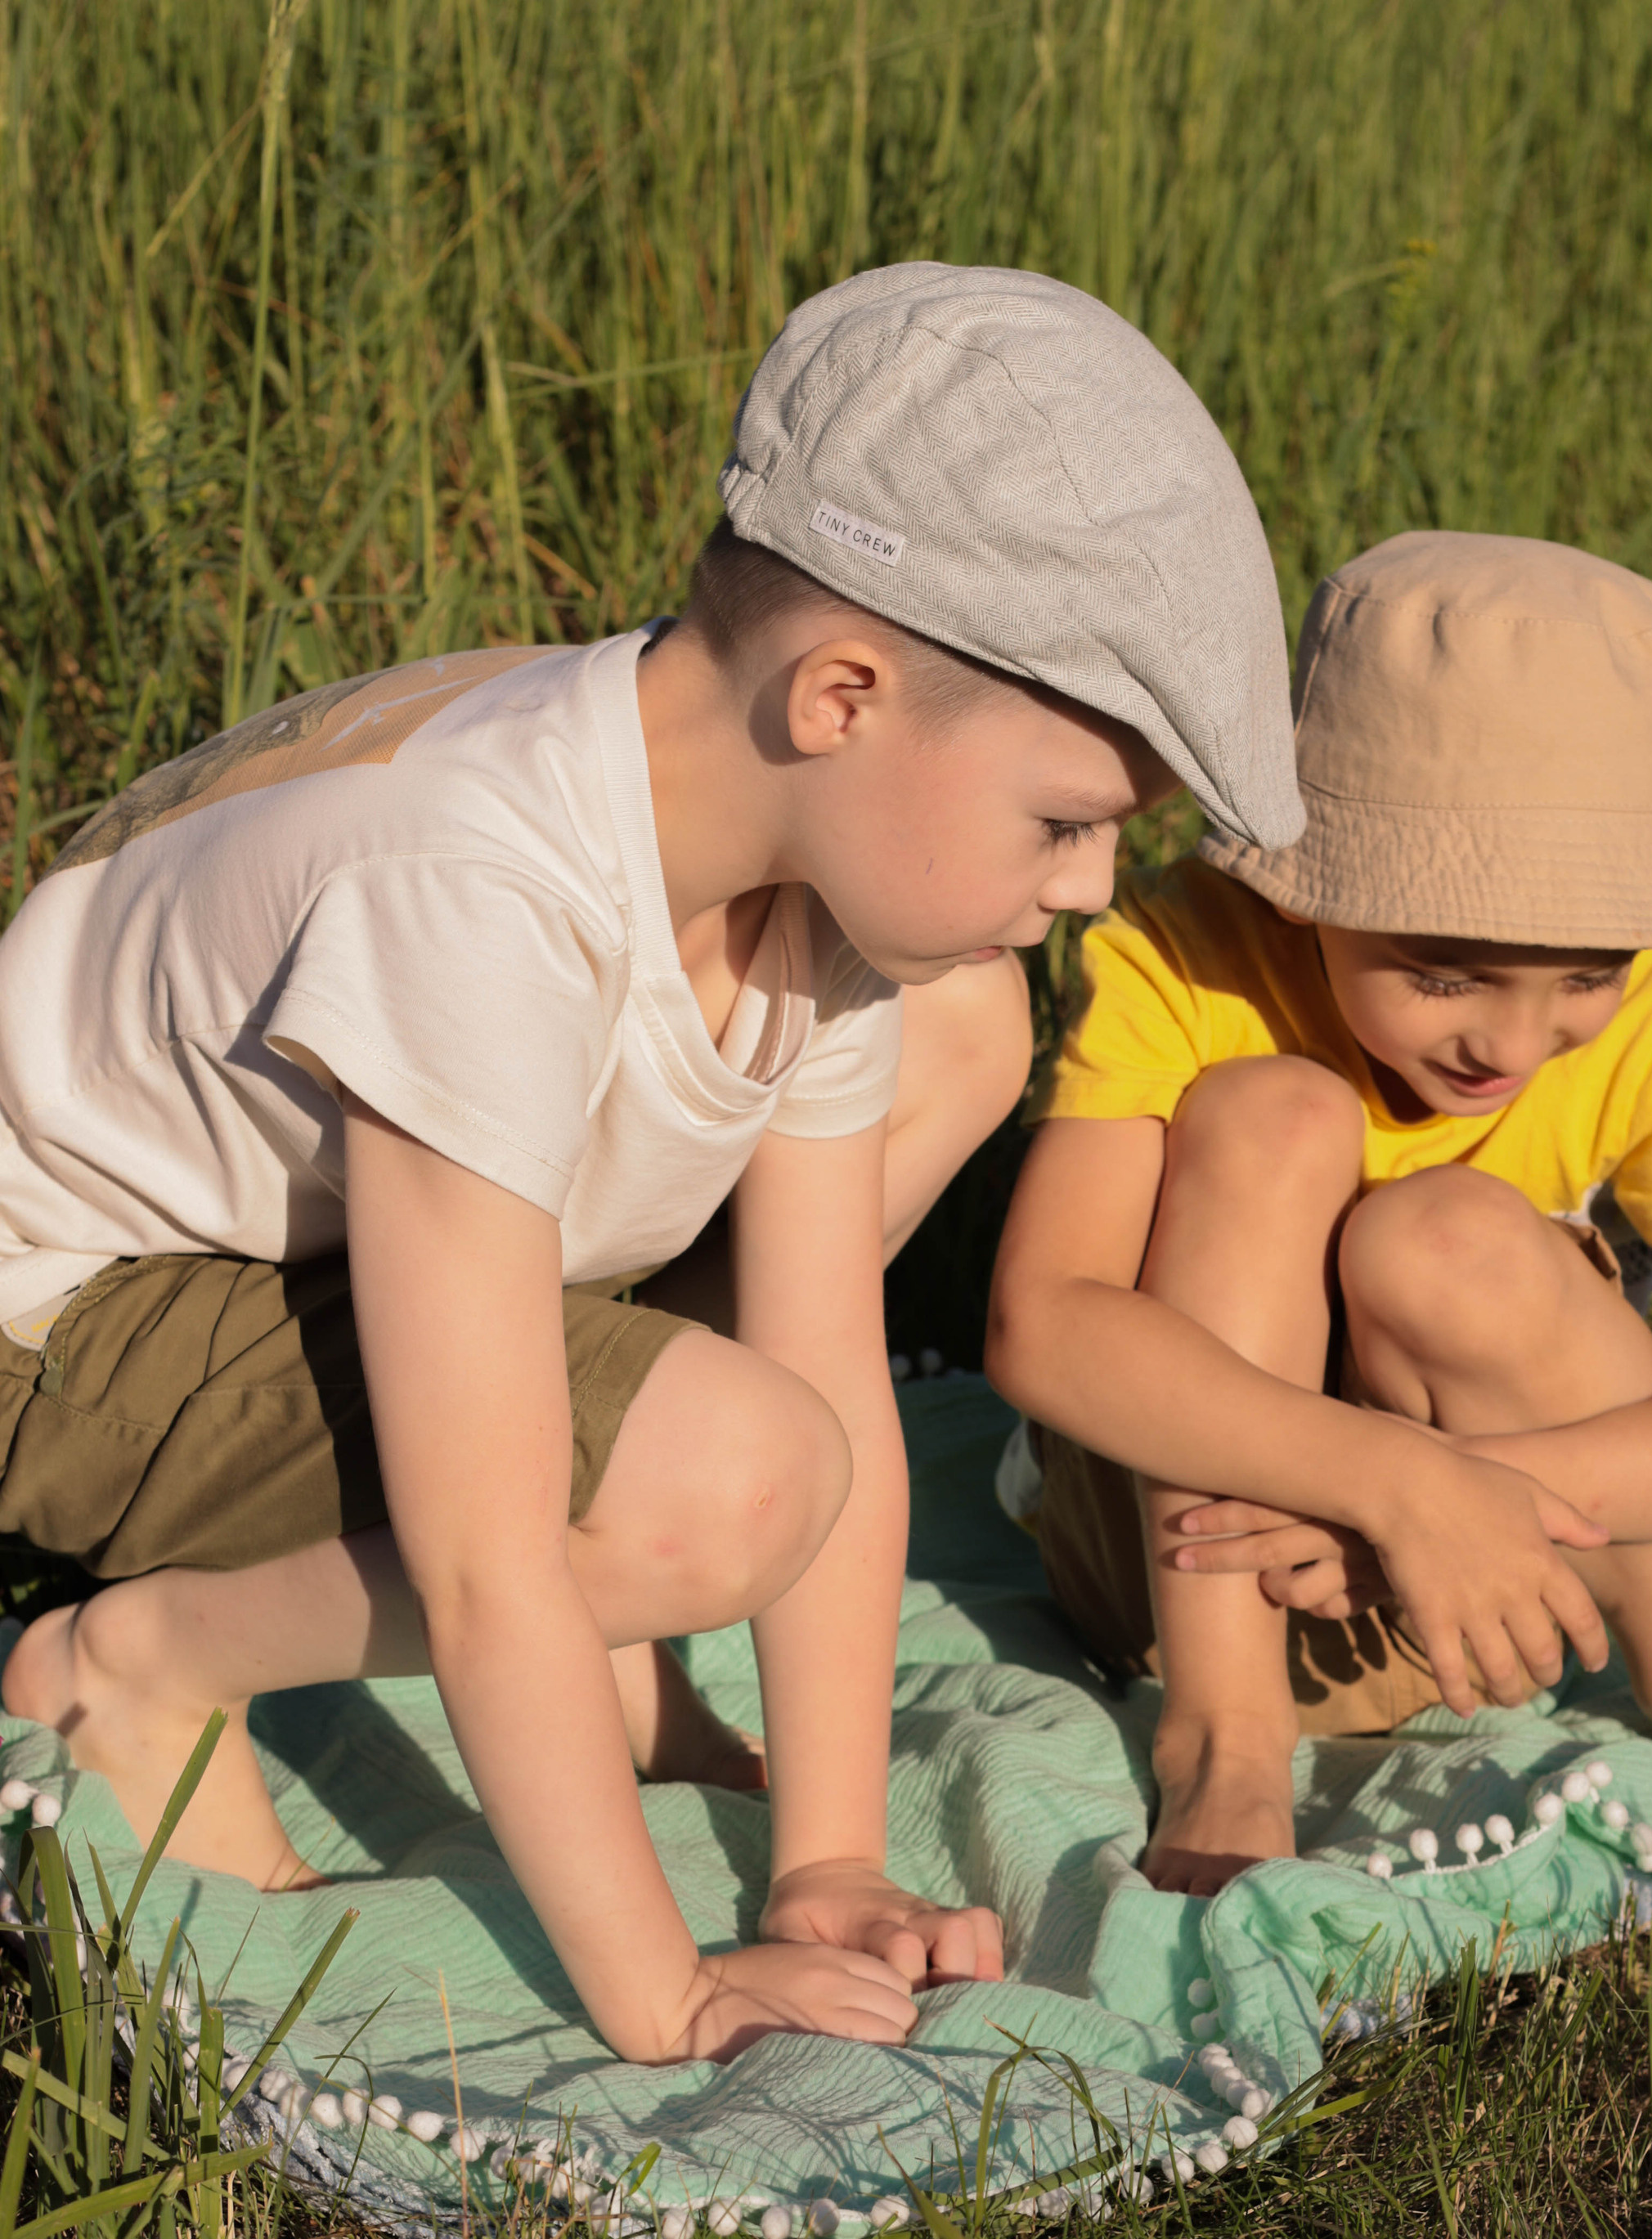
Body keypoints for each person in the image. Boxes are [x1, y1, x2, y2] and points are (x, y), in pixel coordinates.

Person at [0, 262, 1306, 2063]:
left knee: (952, 1049)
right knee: (721, 1481)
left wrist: (823, 1858)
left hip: (314, 1252)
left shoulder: (802, 879)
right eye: (1064, 821)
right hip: (73, 1324)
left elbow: (824, 1354)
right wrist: (664, 1988)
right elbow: (500, 1550)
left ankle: (585, 1595)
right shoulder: (479, 894)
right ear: (840, 694)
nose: (1088, 887)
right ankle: (138, 1664)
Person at [986, 532, 1652, 1893]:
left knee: (1440, 1236)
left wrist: (1475, 1505)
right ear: (1306, 887)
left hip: (1509, 1583)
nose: (1511, 1048)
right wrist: (1386, 1484)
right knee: (1267, 1113)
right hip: (1183, 1569)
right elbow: (1042, 1331)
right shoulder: (1183, 959)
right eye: (1445, 975)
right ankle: (1224, 1742)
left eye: (1583, 976)